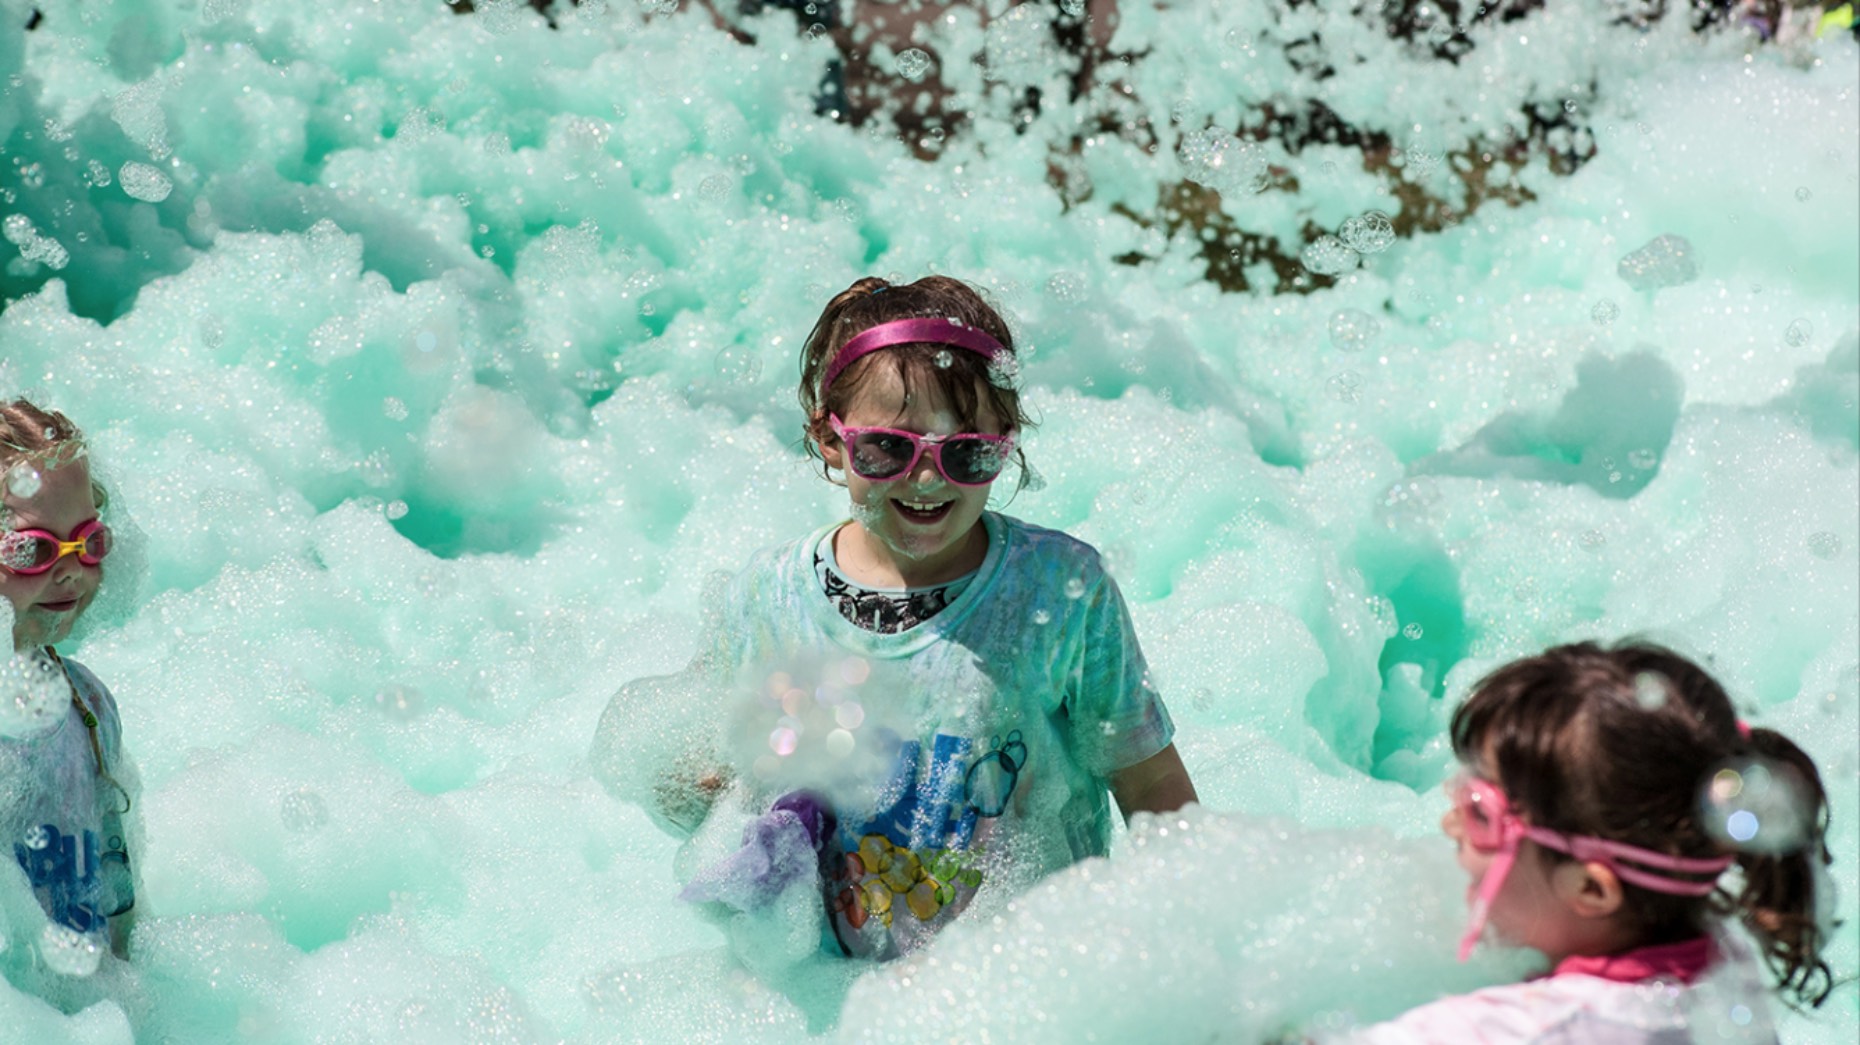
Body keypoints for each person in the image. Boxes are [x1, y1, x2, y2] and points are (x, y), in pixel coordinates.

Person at [659, 274, 1197, 961]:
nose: (926, 479)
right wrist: (704, 787)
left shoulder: (1059, 590)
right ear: (831, 438)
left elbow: (1150, 783)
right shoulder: (765, 598)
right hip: (834, 992)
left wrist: (1205, 949)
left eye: (966, 452)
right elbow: (708, 772)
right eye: (888, 448)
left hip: (1025, 981)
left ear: (1006, 442)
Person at [1335, 641, 1834, 1043]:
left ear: (1592, 890)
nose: (1450, 826)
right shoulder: (1724, 949)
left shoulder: (1497, 1032)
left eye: (1480, 813)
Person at [0, 400, 138, 960]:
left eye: (89, 542)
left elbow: (115, 894)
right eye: (33, 549)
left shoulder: (89, 703)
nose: (71, 571)